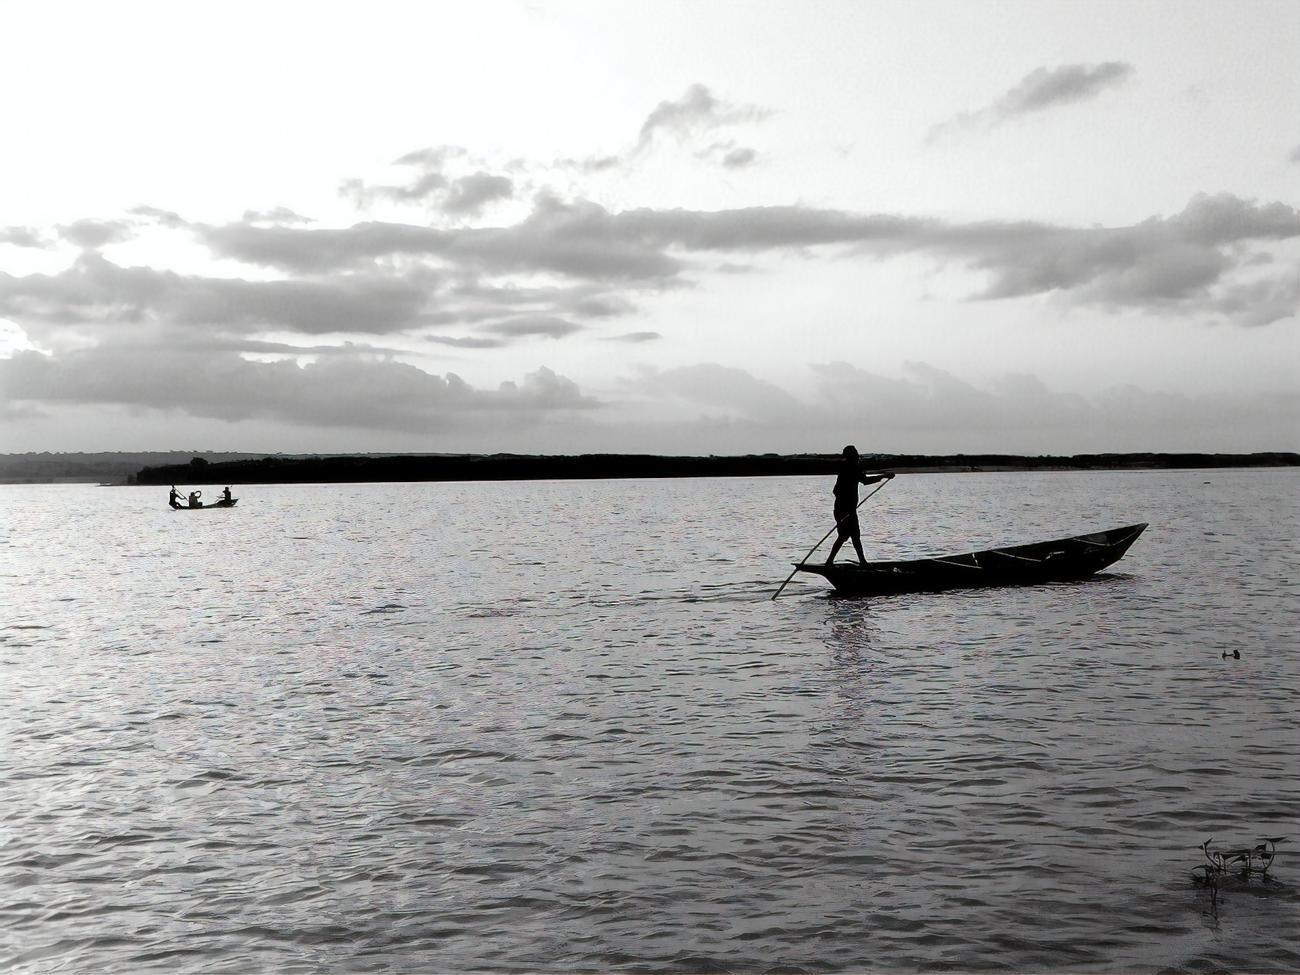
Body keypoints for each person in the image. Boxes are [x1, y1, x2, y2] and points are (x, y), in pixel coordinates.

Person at [826, 445, 893, 566]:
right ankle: (832, 561)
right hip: (845, 511)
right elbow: (865, 481)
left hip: (845, 510)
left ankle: (860, 561)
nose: (857, 457)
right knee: (846, 536)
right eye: (855, 455)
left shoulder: (845, 469)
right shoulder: (851, 468)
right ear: (852, 457)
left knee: (852, 536)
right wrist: (883, 476)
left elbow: (835, 491)